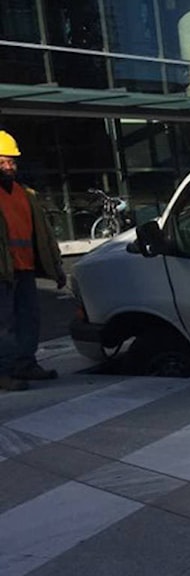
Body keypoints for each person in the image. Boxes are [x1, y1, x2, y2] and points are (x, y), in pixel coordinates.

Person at [0, 130, 66, 391]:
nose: (8, 167)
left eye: (12, 162)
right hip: (2, 271)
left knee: (29, 319)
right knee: (4, 325)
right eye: (2, 162)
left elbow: (44, 236)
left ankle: (25, 364)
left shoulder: (26, 194)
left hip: (24, 269)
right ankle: (4, 371)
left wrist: (56, 266)